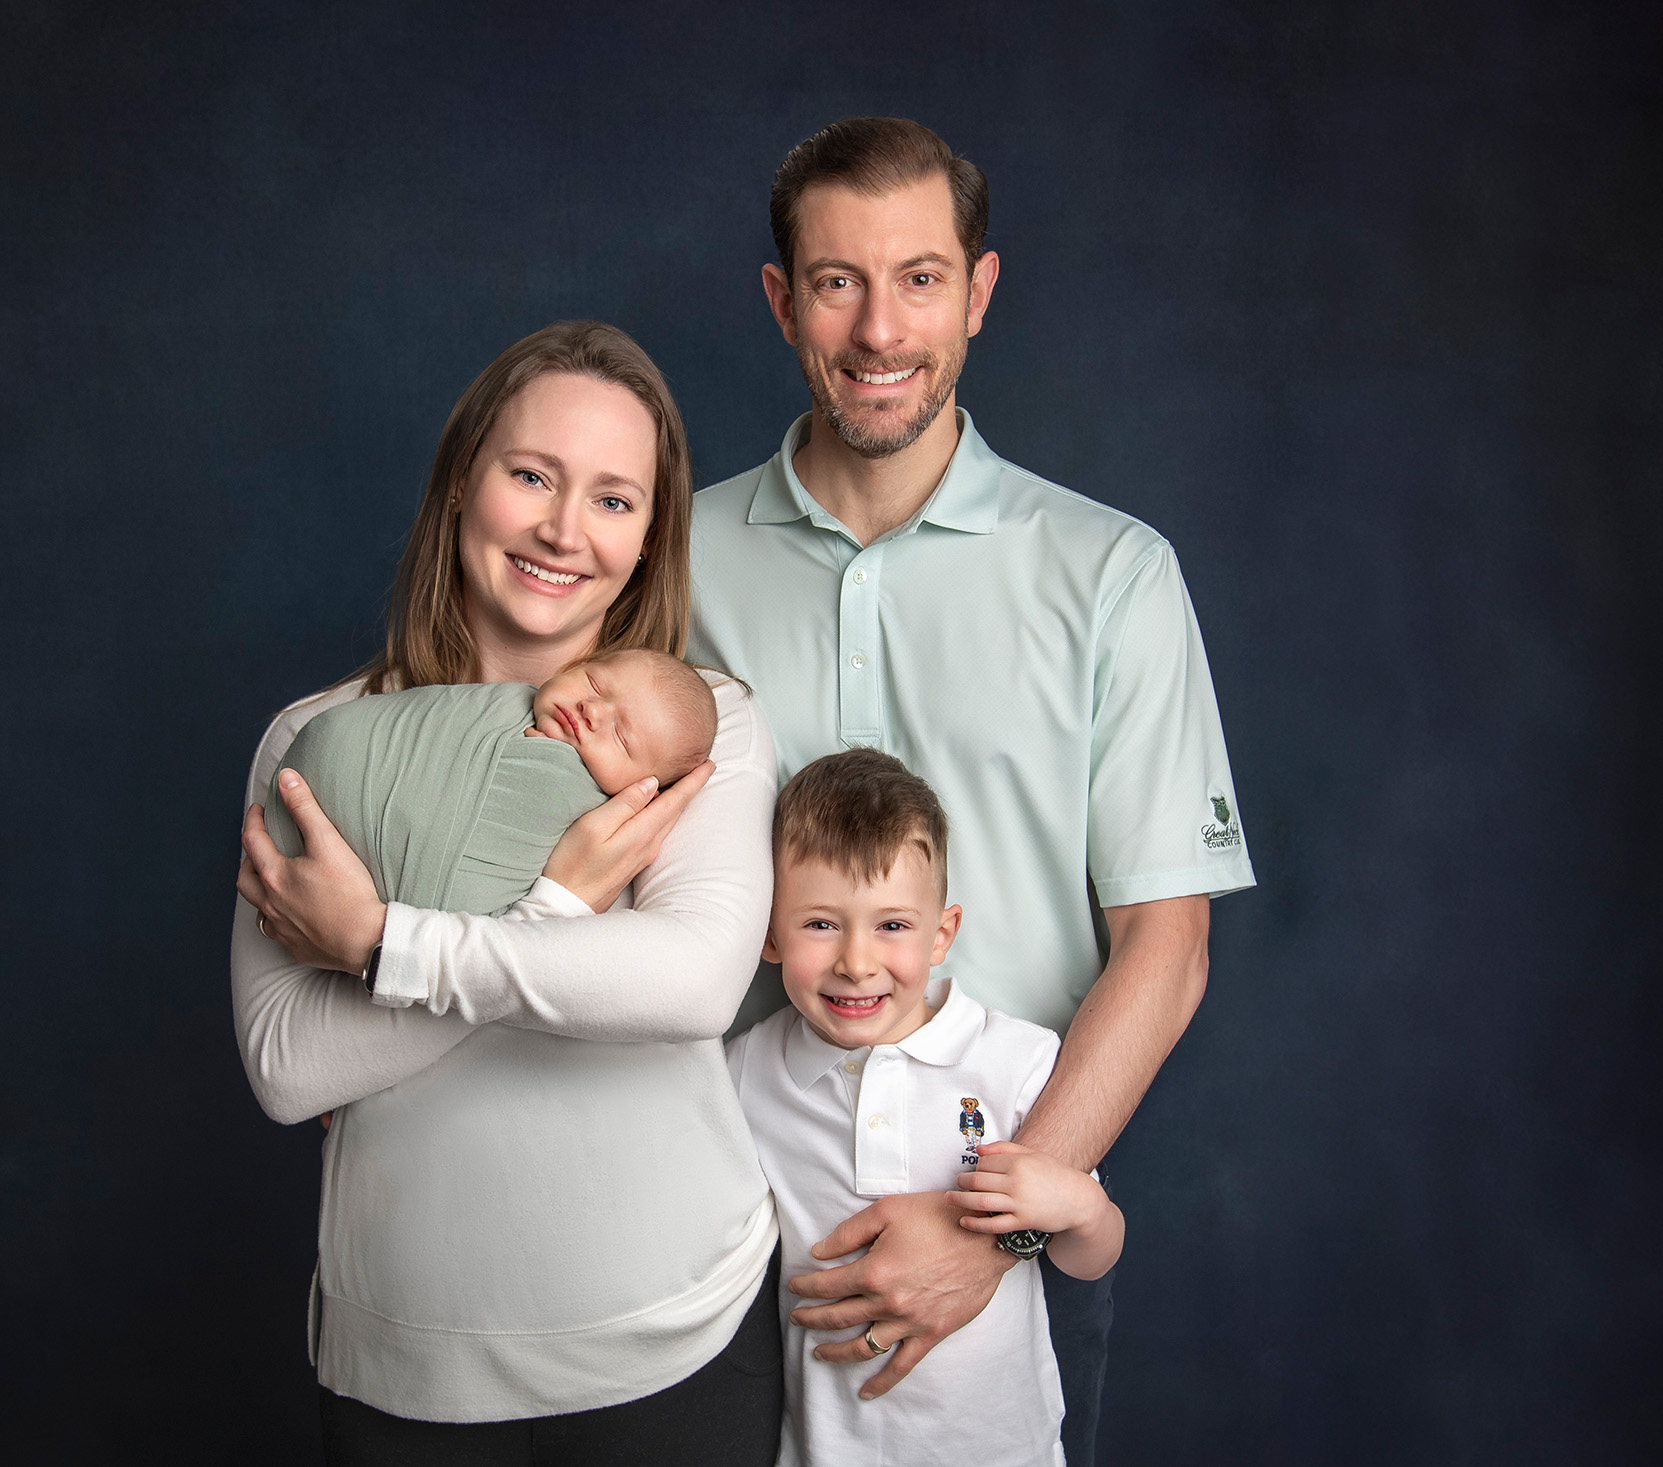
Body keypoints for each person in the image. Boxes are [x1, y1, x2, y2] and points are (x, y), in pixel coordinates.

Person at [689, 118, 1257, 1463]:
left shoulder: (1111, 574)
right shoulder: (674, 559)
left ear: (980, 292)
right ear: (782, 301)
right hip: (726, 1240)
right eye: (837, 280)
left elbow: (1165, 949)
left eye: (921, 278)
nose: (881, 327)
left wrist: (983, 1233)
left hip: (1009, 1244)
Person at [234, 321, 783, 1465]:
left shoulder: (703, 727)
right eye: (530, 476)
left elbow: (687, 983)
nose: (561, 531)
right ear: (459, 485)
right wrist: (558, 915)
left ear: (649, 537)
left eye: (613, 499)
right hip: (404, 1366)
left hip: (675, 1338)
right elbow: (288, 1069)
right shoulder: (318, 742)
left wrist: (383, 946)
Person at [728, 749, 1122, 1466]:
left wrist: (1084, 1210)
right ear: (770, 935)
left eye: (892, 926)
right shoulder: (749, 1068)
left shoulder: (1016, 1061)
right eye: (820, 924)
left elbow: (1091, 1260)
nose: (856, 960)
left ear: (941, 932)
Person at [262, 648, 718, 929]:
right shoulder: (501, 702)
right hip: (298, 807)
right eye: (595, 683)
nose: (592, 710)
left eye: (621, 737)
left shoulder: (613, 810)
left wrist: (373, 944)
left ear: (647, 789)